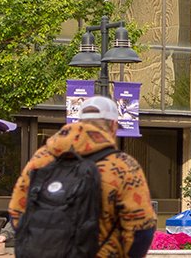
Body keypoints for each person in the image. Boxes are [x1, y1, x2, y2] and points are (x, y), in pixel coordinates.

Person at [10, 96, 157, 258]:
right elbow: (141, 229)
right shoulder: (122, 165)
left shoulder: (41, 158)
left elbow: (16, 211)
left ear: (79, 122)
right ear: (114, 126)